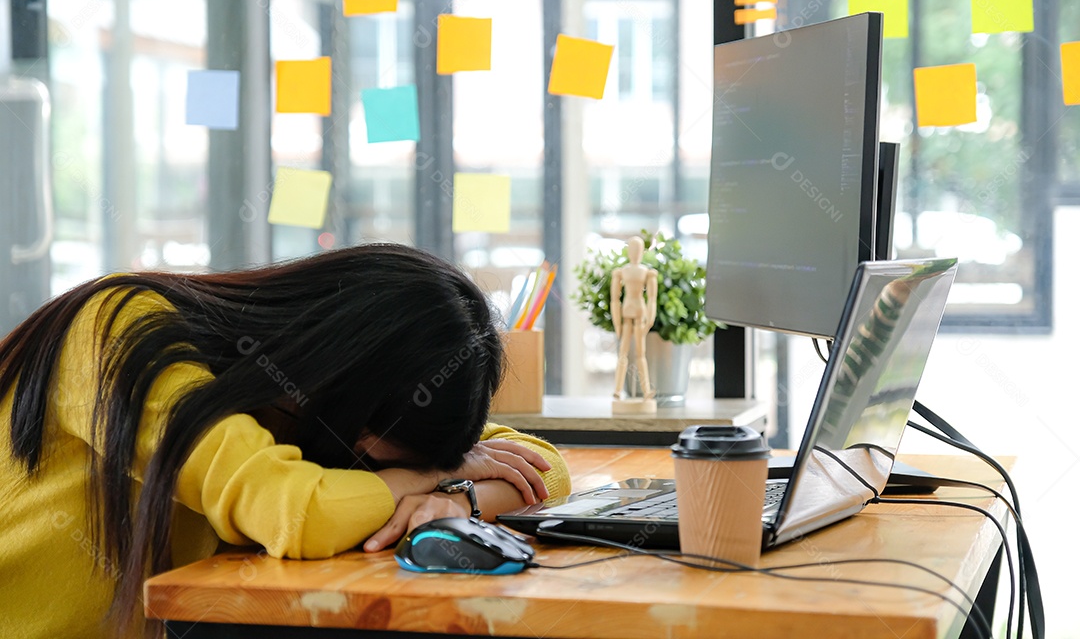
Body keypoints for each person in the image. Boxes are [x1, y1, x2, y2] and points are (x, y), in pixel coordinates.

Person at [0, 243, 570, 638]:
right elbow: (295, 512)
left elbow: (542, 467)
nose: (362, 467)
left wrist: (456, 500)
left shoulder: (300, 405)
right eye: (367, 457)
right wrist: (425, 479)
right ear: (339, 373)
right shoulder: (118, 331)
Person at [610, 235, 658, 405]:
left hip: (639, 312)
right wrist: (616, 322)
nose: (635, 253)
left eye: (638, 250)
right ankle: (617, 390)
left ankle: (646, 391)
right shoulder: (621, 272)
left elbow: (652, 298)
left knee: (640, 353)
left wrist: (650, 319)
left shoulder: (647, 272)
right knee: (623, 353)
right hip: (627, 312)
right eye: (632, 249)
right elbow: (614, 299)